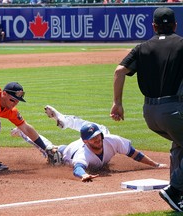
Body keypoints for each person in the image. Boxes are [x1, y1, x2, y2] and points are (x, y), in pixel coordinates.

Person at [110, 7, 183, 212]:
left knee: (179, 143)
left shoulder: (142, 47)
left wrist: (117, 103)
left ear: (153, 26)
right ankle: (175, 190)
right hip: (174, 110)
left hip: (150, 113)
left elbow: (119, 71)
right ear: (175, 25)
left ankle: (178, 194)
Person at [11, 105, 168, 182]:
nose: (98, 139)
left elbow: (134, 153)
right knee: (50, 151)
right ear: (85, 141)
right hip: (66, 152)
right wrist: (84, 175)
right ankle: (23, 132)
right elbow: (78, 168)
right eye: (93, 138)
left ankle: (65, 120)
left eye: (98, 137)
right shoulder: (83, 155)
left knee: (104, 129)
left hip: (80, 144)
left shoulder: (110, 139)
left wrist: (155, 165)